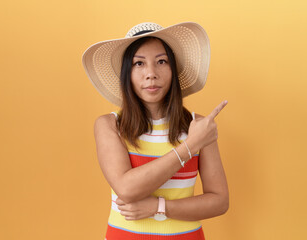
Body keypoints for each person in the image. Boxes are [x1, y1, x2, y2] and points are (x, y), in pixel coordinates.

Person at [82, 22, 229, 240]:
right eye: (139, 64)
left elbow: (219, 201)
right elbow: (127, 188)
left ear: (174, 70)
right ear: (127, 74)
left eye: (161, 61)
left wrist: (159, 207)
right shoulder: (109, 125)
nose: (151, 73)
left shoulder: (198, 127)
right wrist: (190, 146)